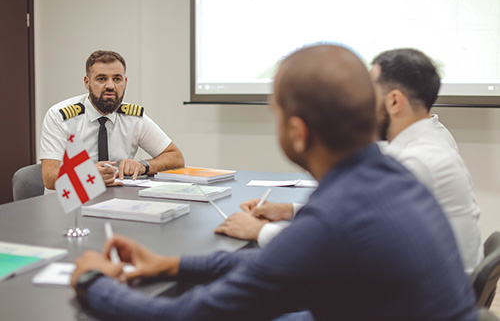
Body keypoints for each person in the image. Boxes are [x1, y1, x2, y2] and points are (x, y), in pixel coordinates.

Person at [70, 45, 477, 320]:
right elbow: (272, 261)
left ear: (297, 132)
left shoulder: (337, 219)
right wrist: (171, 264)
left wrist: (93, 281)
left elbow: (189, 314)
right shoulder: (385, 179)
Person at [218, 48, 483, 275]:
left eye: (368, 93)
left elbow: (336, 240)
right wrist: (288, 210)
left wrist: (258, 231)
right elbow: (356, 216)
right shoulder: (431, 139)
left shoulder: (415, 162)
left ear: (393, 101)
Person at [40, 50, 184, 189]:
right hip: (73, 200)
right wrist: (86, 174)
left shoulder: (133, 118)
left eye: (117, 79)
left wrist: (143, 166)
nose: (110, 86)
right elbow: (49, 178)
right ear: (87, 82)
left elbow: (175, 157)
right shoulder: (60, 116)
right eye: (101, 79)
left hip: (119, 199)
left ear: (125, 82)